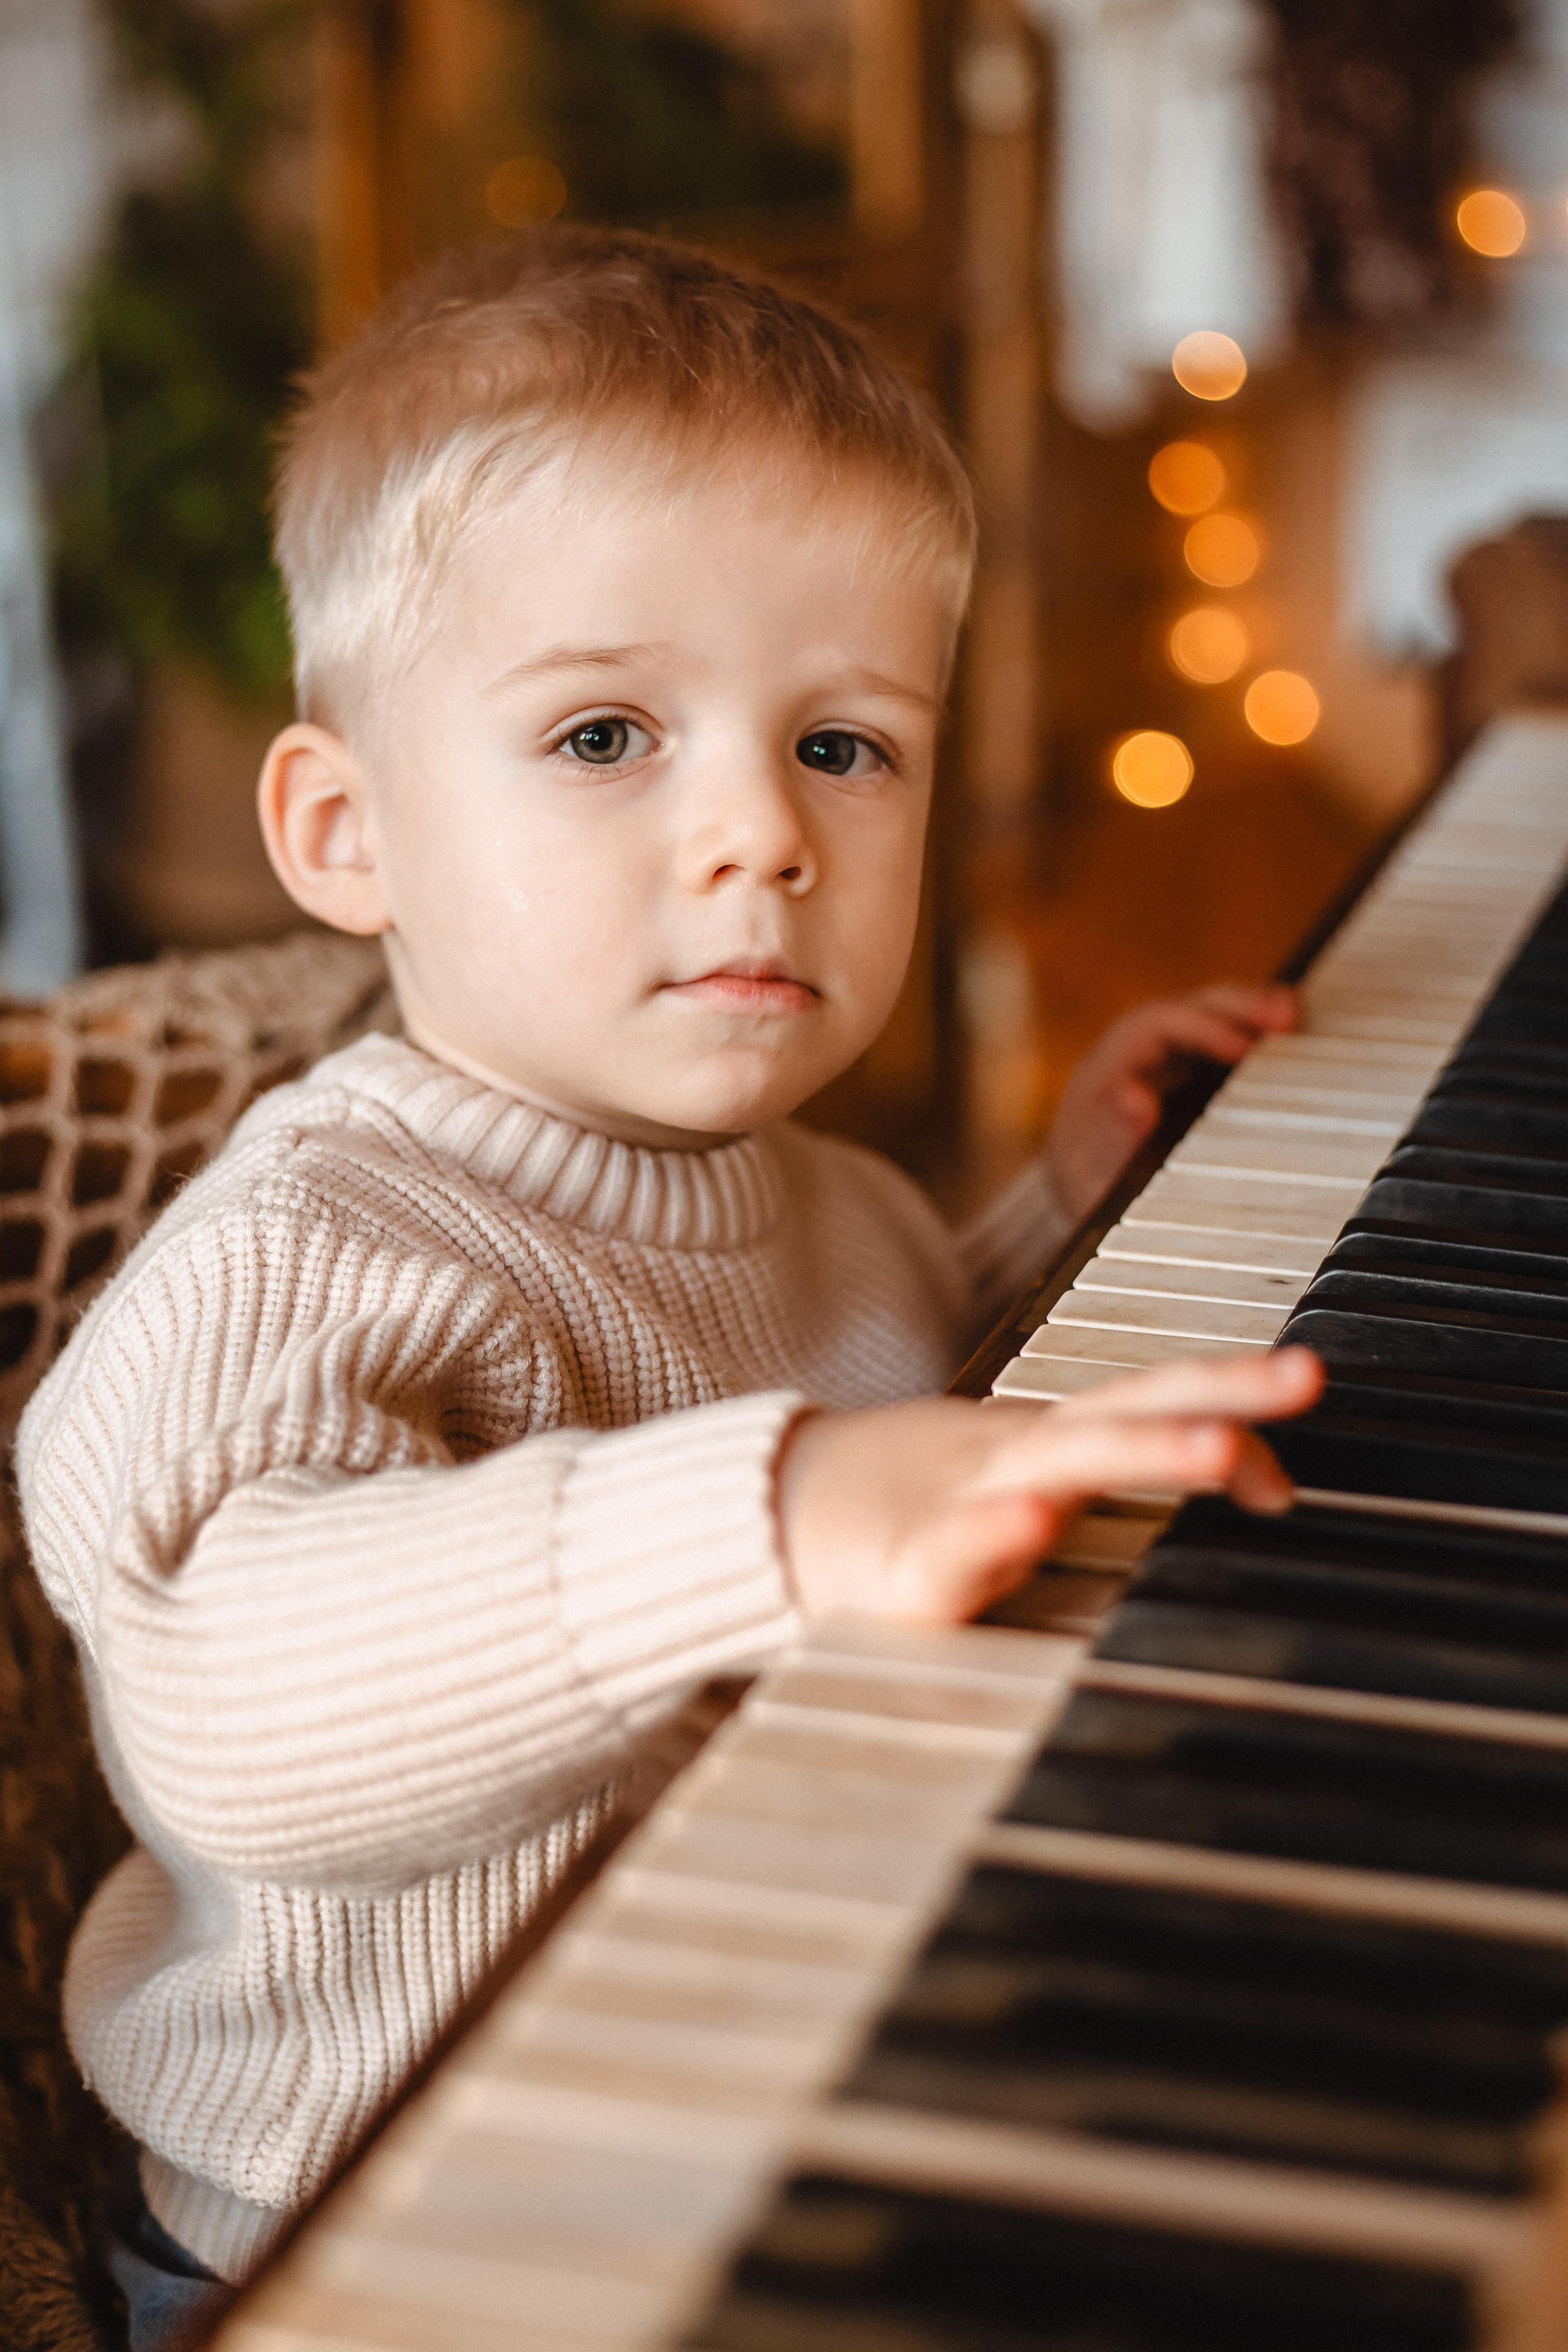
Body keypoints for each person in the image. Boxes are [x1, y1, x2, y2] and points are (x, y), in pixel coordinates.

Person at [18, 228, 1320, 2347]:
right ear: (347, 833)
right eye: (611, 735)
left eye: (844, 748)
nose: (761, 835)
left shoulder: (813, 1192)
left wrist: (1057, 1214)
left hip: (754, 2090)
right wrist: (777, 1519)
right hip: (379, 2241)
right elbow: (228, 1702)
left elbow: (890, 1404)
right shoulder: (303, 1253)